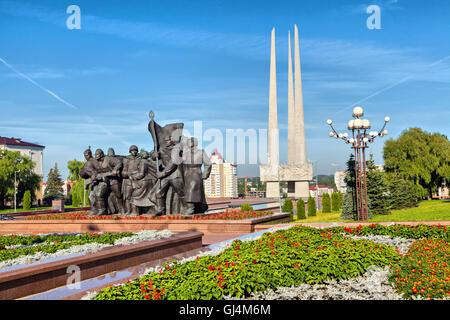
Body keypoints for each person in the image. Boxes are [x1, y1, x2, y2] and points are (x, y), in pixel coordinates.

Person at [181, 137, 211, 214]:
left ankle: (191, 208)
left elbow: (208, 163)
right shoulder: (185, 153)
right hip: (187, 173)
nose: (189, 143)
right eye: (188, 141)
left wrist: (205, 174)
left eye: (191, 141)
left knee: (192, 189)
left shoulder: (201, 152)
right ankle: (198, 207)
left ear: (195, 142)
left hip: (196, 173)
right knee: (188, 191)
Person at [121, 145, 142, 215]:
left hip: (137, 180)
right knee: (127, 197)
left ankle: (136, 211)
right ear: (130, 151)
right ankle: (128, 211)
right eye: (133, 150)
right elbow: (123, 172)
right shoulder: (126, 160)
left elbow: (141, 170)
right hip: (128, 181)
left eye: (135, 150)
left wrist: (135, 175)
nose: (134, 152)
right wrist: (129, 174)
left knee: (136, 196)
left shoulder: (139, 159)